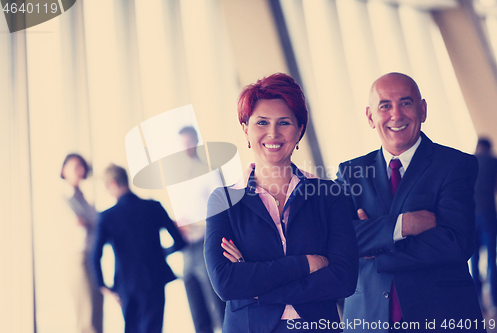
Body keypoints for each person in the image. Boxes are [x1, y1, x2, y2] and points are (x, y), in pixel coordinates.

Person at [204, 73, 359, 333]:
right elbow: (226, 282)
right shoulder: (224, 200)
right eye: (262, 122)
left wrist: (254, 284)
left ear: (299, 130)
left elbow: (343, 280)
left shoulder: (329, 194)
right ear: (246, 129)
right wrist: (306, 264)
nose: (272, 133)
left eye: (284, 122)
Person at [336, 72, 484, 332]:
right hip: (368, 320)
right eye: (385, 106)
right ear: (370, 117)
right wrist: (403, 225)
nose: (396, 115)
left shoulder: (455, 165)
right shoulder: (351, 172)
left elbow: (455, 243)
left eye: (406, 103)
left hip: (443, 317)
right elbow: (338, 239)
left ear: (423, 109)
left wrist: (376, 250)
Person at [91, 164, 187, 333]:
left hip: (126, 284)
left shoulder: (107, 217)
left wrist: (103, 286)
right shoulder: (154, 207)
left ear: (112, 183)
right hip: (154, 279)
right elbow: (179, 242)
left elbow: (95, 255)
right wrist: (161, 254)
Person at [177, 126, 226, 333]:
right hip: (186, 248)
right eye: (182, 143)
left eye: (189, 142)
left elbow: (222, 212)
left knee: (218, 306)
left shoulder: (210, 172)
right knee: (196, 309)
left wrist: (196, 226)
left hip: (207, 244)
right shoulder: (179, 180)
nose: (186, 147)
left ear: (197, 142)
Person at [60, 153, 103, 333]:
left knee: (96, 308)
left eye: (81, 166)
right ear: (64, 169)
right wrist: (88, 223)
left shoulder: (84, 198)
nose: (79, 170)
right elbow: (80, 227)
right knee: (86, 313)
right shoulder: (63, 196)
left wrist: (88, 222)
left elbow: (93, 224)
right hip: (78, 258)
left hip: (91, 256)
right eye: (74, 165)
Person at [471, 137, 497, 309]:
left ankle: (477, 301)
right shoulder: (493, 162)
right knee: (491, 259)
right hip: (488, 215)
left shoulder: (468, 162)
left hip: (471, 218)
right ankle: (494, 301)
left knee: (473, 259)